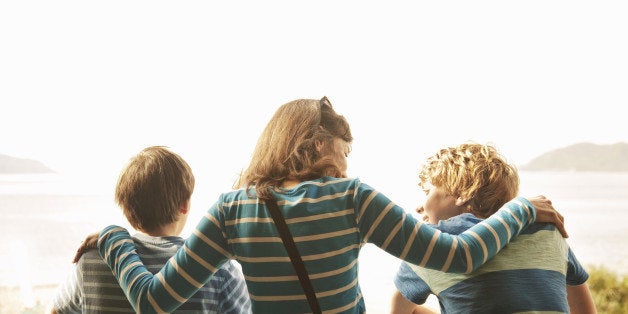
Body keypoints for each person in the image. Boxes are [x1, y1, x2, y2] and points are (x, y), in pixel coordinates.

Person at [84, 97, 567, 313]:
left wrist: (114, 239)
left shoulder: (230, 211)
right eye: (344, 149)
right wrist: (519, 209)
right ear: (316, 144)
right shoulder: (352, 199)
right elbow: (460, 257)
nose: (346, 163)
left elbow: (153, 302)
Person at [390, 143, 596, 314]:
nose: (420, 206)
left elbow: (399, 310)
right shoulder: (547, 232)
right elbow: (585, 310)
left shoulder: (433, 241)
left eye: (428, 191)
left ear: (462, 194)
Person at [49, 146, 251, 313]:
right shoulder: (216, 268)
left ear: (126, 207)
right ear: (184, 205)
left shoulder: (92, 261)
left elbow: (56, 311)